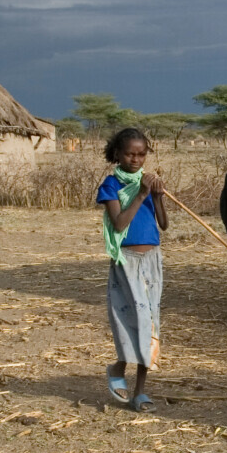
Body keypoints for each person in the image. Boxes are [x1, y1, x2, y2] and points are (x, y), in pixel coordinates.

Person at [96, 127, 168, 412]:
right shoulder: (111, 185)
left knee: (150, 324)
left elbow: (163, 225)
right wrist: (141, 194)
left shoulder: (148, 183)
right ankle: (118, 367)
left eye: (141, 154)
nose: (136, 160)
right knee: (132, 319)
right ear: (117, 154)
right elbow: (119, 224)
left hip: (152, 260)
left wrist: (157, 196)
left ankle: (140, 391)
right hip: (126, 261)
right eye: (129, 154)